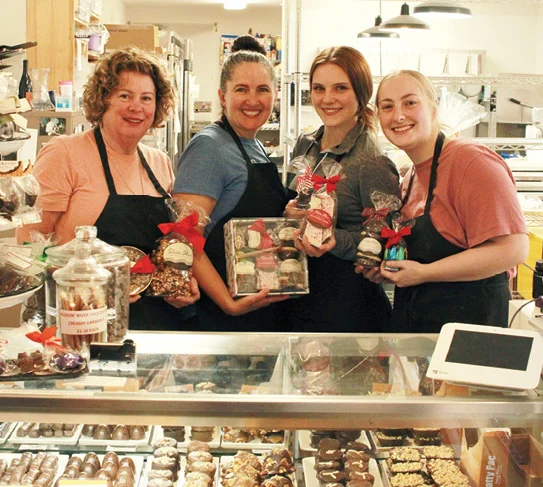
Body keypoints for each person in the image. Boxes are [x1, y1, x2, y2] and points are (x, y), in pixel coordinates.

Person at [17, 47, 200, 330]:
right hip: (82, 320)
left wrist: (179, 281)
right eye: (125, 95)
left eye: (146, 98)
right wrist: (92, 282)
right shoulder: (64, 153)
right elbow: (30, 247)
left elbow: (167, 248)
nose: (136, 107)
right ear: (103, 100)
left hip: (154, 324)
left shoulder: (159, 162)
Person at [359, 70, 528, 332]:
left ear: (433, 107)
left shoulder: (471, 162)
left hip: (470, 334)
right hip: (423, 334)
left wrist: (424, 273)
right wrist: (391, 270)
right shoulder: (410, 178)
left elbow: (513, 250)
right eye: (387, 107)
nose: (398, 115)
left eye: (410, 102)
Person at [284, 46, 400, 332]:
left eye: (340, 88)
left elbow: (386, 240)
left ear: (362, 93)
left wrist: (333, 238)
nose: (327, 98)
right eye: (319, 88)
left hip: (349, 308)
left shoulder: (371, 161)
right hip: (299, 295)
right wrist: (293, 215)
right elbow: (296, 201)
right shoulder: (306, 144)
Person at [173, 49, 288, 331]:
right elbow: (184, 237)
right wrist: (228, 303)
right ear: (222, 97)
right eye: (241, 89)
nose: (253, 100)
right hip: (218, 317)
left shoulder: (255, 145)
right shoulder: (209, 147)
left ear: (274, 96)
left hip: (257, 306)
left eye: (262, 89)